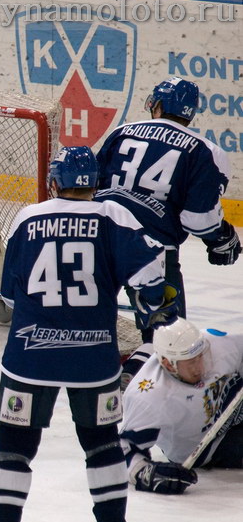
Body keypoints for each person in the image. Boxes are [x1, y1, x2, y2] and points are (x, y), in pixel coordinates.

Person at [0, 146, 178, 522]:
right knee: (102, 443)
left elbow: (10, 298)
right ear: (95, 182)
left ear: (54, 181)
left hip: (31, 357)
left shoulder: (28, 217)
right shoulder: (115, 218)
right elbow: (151, 281)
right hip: (94, 359)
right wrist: (150, 304)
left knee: (13, 445)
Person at [96, 76, 240, 384]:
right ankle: (133, 375)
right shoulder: (206, 151)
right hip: (150, 250)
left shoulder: (122, 132)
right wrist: (221, 239)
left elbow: (90, 188)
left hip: (97, 237)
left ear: (157, 105)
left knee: (87, 315)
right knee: (169, 335)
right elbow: (197, 219)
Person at [120, 318, 243, 495]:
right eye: (190, 362)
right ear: (169, 364)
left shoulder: (218, 344)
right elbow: (123, 449)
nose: (199, 367)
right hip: (207, 446)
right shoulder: (149, 396)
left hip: (234, 410)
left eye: (200, 356)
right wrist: (146, 473)